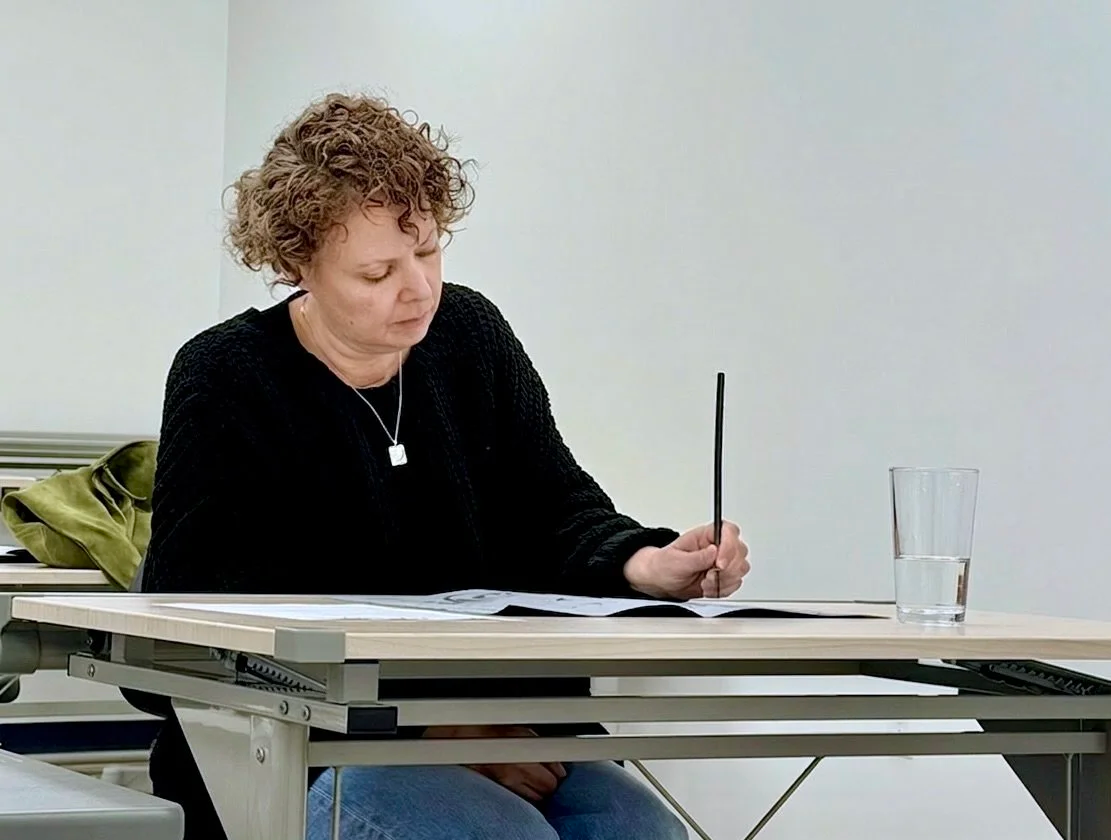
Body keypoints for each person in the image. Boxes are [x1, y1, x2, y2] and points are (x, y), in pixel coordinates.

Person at [140, 92, 750, 840]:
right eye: (376, 273)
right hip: (307, 747)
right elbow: (187, 633)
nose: (418, 289)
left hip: (513, 728)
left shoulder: (470, 334)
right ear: (299, 265)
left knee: (640, 831)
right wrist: (432, 733)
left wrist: (647, 564)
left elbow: (555, 509)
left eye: (427, 251)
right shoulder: (226, 377)